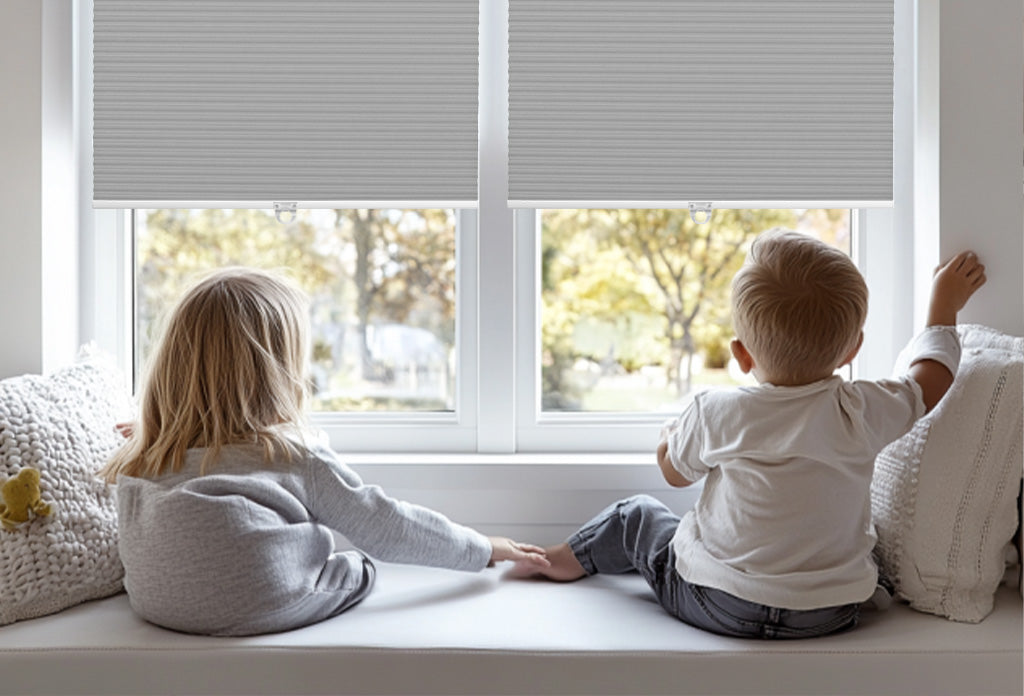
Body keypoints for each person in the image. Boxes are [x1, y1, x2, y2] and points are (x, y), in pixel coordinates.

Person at [512, 230, 987, 640]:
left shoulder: (718, 412)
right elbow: (932, 379)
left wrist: (670, 434)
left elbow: (673, 473)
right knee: (864, 542)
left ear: (740, 355)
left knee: (636, 515)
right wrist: (942, 304)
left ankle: (561, 559)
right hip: (829, 615)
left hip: (719, 605)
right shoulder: (860, 410)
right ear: (852, 350)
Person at [102, 267, 548, 636]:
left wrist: (149, 429)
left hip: (160, 606)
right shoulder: (293, 457)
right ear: (276, 374)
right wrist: (484, 547)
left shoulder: (147, 453)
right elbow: (385, 525)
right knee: (361, 564)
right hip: (265, 603)